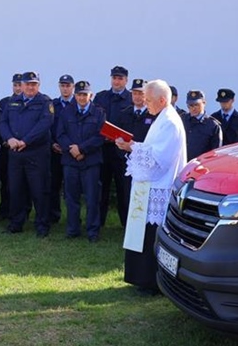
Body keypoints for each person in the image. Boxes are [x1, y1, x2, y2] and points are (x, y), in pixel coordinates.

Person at [116, 79, 187, 295]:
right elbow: (151, 149)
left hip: (160, 186)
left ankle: (151, 281)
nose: (145, 103)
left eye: (148, 100)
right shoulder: (160, 118)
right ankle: (141, 278)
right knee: (143, 234)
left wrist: (132, 147)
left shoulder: (170, 122)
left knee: (151, 235)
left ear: (162, 100)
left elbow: (159, 157)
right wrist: (134, 147)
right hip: (150, 185)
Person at [0, 71, 54, 237]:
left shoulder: (45, 102)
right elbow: (3, 122)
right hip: (15, 153)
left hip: (36, 153)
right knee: (16, 189)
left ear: (39, 85)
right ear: (21, 85)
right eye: (28, 84)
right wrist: (9, 138)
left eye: (34, 84)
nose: (30, 87)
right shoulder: (12, 102)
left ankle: (42, 225)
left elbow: (45, 124)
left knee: (39, 190)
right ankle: (16, 223)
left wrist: (26, 141)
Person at [57, 81, 107, 242]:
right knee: (71, 198)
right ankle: (73, 229)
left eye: (84, 94)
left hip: (90, 161)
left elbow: (100, 136)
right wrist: (72, 149)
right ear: (75, 95)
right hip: (70, 161)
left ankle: (93, 231)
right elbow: (60, 134)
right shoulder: (67, 112)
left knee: (92, 198)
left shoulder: (99, 113)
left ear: (90, 95)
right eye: (79, 94)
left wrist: (82, 149)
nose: (81, 97)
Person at [94, 65, 132, 229]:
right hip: (103, 148)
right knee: (101, 187)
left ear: (126, 80)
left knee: (124, 189)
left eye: (120, 78)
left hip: (122, 151)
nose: (117, 81)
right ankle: (99, 222)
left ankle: (126, 225)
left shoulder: (132, 98)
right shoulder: (101, 97)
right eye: (114, 78)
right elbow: (94, 120)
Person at [49, 74, 75, 225]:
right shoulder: (53, 105)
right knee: (53, 185)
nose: (65, 89)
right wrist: (52, 143)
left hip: (71, 151)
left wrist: (69, 146)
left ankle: (72, 219)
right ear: (59, 87)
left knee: (72, 187)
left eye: (68, 86)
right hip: (54, 151)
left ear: (73, 87)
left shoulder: (77, 104)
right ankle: (53, 216)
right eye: (62, 86)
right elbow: (48, 126)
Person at [0, 73, 23, 220]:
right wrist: (5, 140)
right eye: (15, 85)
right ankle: (4, 210)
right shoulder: (4, 102)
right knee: (5, 181)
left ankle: (21, 211)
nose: (18, 88)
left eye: (20, 85)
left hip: (22, 148)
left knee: (20, 183)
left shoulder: (27, 102)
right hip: (6, 148)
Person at [184, 89, 223, 158]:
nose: (193, 108)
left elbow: (216, 152)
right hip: (184, 165)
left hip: (202, 165)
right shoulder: (183, 120)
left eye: (196, 105)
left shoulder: (213, 125)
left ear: (204, 103)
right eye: (191, 105)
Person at [122, 78, 155, 142]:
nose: (137, 97)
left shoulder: (153, 114)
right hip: (126, 151)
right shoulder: (125, 113)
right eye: (134, 93)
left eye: (140, 94)